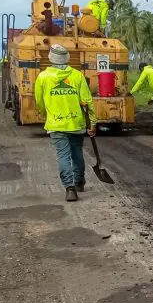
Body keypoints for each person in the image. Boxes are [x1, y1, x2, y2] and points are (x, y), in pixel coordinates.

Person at [34, 44, 96, 202]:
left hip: (56, 124)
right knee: (77, 154)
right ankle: (79, 182)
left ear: (50, 58)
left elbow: (39, 101)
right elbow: (87, 101)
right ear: (67, 58)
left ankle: (70, 189)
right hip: (76, 123)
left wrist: (46, 114)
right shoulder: (77, 76)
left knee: (63, 156)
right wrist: (92, 123)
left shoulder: (43, 77)